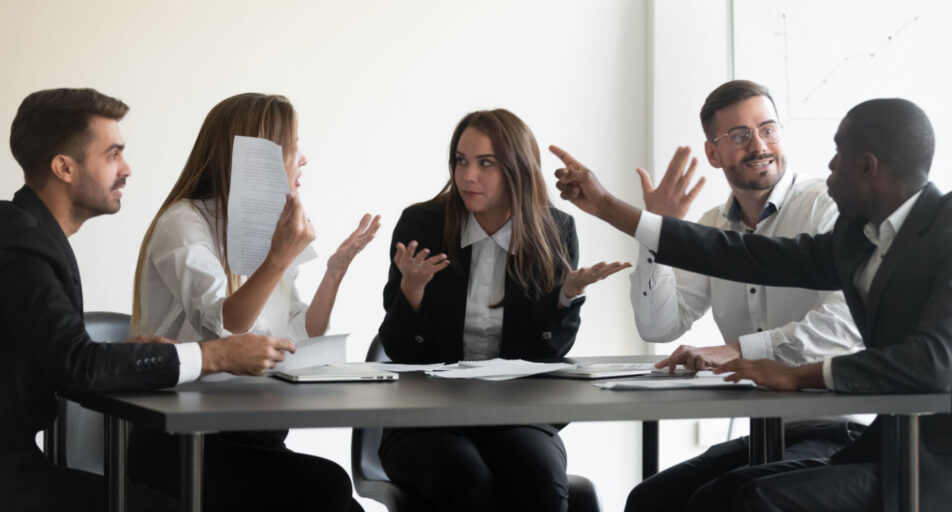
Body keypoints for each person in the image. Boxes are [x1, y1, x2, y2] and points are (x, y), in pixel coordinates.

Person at [552, 97, 952, 511]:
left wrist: (798, 373)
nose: (830, 165)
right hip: (893, 444)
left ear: (868, 167)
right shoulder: (856, 237)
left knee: (757, 499)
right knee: (703, 495)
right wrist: (608, 207)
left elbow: (934, 362)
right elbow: (743, 254)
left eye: (839, 153)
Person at [0, 88, 296, 512]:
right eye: (113, 154)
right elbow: (79, 366)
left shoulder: (28, 235)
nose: (127, 169)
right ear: (64, 168)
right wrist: (213, 356)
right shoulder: (23, 248)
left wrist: (116, 354)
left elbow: (61, 357)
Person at [128, 93, 374, 512]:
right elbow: (223, 329)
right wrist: (278, 258)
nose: (303, 159)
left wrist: (334, 273)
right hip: (182, 440)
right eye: (292, 147)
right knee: (327, 487)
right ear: (256, 157)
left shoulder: (268, 227)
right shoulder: (184, 223)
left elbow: (300, 333)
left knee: (336, 495)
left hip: (251, 429)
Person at [625, 80, 864, 511]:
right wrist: (655, 235)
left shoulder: (825, 208)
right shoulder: (712, 226)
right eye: (739, 135)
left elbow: (845, 325)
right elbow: (659, 324)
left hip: (838, 430)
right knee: (650, 499)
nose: (758, 145)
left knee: (720, 501)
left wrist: (737, 351)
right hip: (766, 431)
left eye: (768, 129)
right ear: (713, 154)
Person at [377, 109, 628, 512]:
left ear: (517, 170)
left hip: (517, 415)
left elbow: (546, 357)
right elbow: (402, 353)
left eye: (486, 163)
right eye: (461, 161)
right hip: (426, 417)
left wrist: (564, 297)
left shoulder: (553, 230)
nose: (468, 176)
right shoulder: (421, 224)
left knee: (540, 478)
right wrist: (412, 290)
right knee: (466, 480)